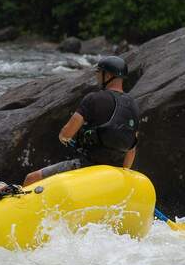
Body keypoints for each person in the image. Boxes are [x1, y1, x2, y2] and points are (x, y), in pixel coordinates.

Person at [22, 55, 140, 186]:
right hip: (115, 170)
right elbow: (132, 147)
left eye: (99, 73)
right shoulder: (133, 105)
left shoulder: (93, 99)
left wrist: (63, 137)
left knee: (31, 178)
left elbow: (67, 133)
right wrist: (123, 172)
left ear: (107, 76)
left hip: (87, 166)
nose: (97, 77)